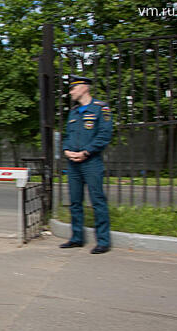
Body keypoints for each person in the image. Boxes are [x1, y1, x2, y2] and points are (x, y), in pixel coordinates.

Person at [60, 74, 113, 254]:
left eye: (73, 88)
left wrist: (86, 152)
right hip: (73, 163)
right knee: (75, 202)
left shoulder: (101, 108)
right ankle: (77, 238)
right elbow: (67, 136)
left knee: (97, 201)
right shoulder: (74, 112)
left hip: (91, 162)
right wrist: (67, 150)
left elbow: (104, 136)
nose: (71, 91)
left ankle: (103, 241)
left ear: (84, 87)